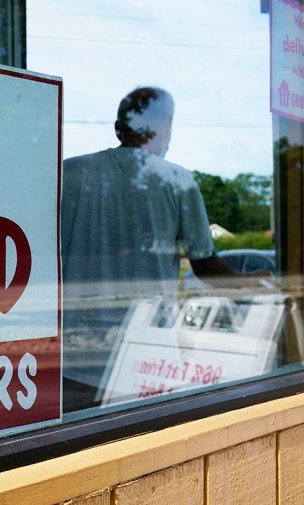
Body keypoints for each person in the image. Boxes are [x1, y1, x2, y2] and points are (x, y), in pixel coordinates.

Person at [60, 86, 245, 409]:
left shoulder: (69, 173)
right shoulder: (176, 180)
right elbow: (205, 265)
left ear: (119, 128)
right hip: (145, 354)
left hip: (74, 355)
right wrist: (252, 281)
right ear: (166, 126)